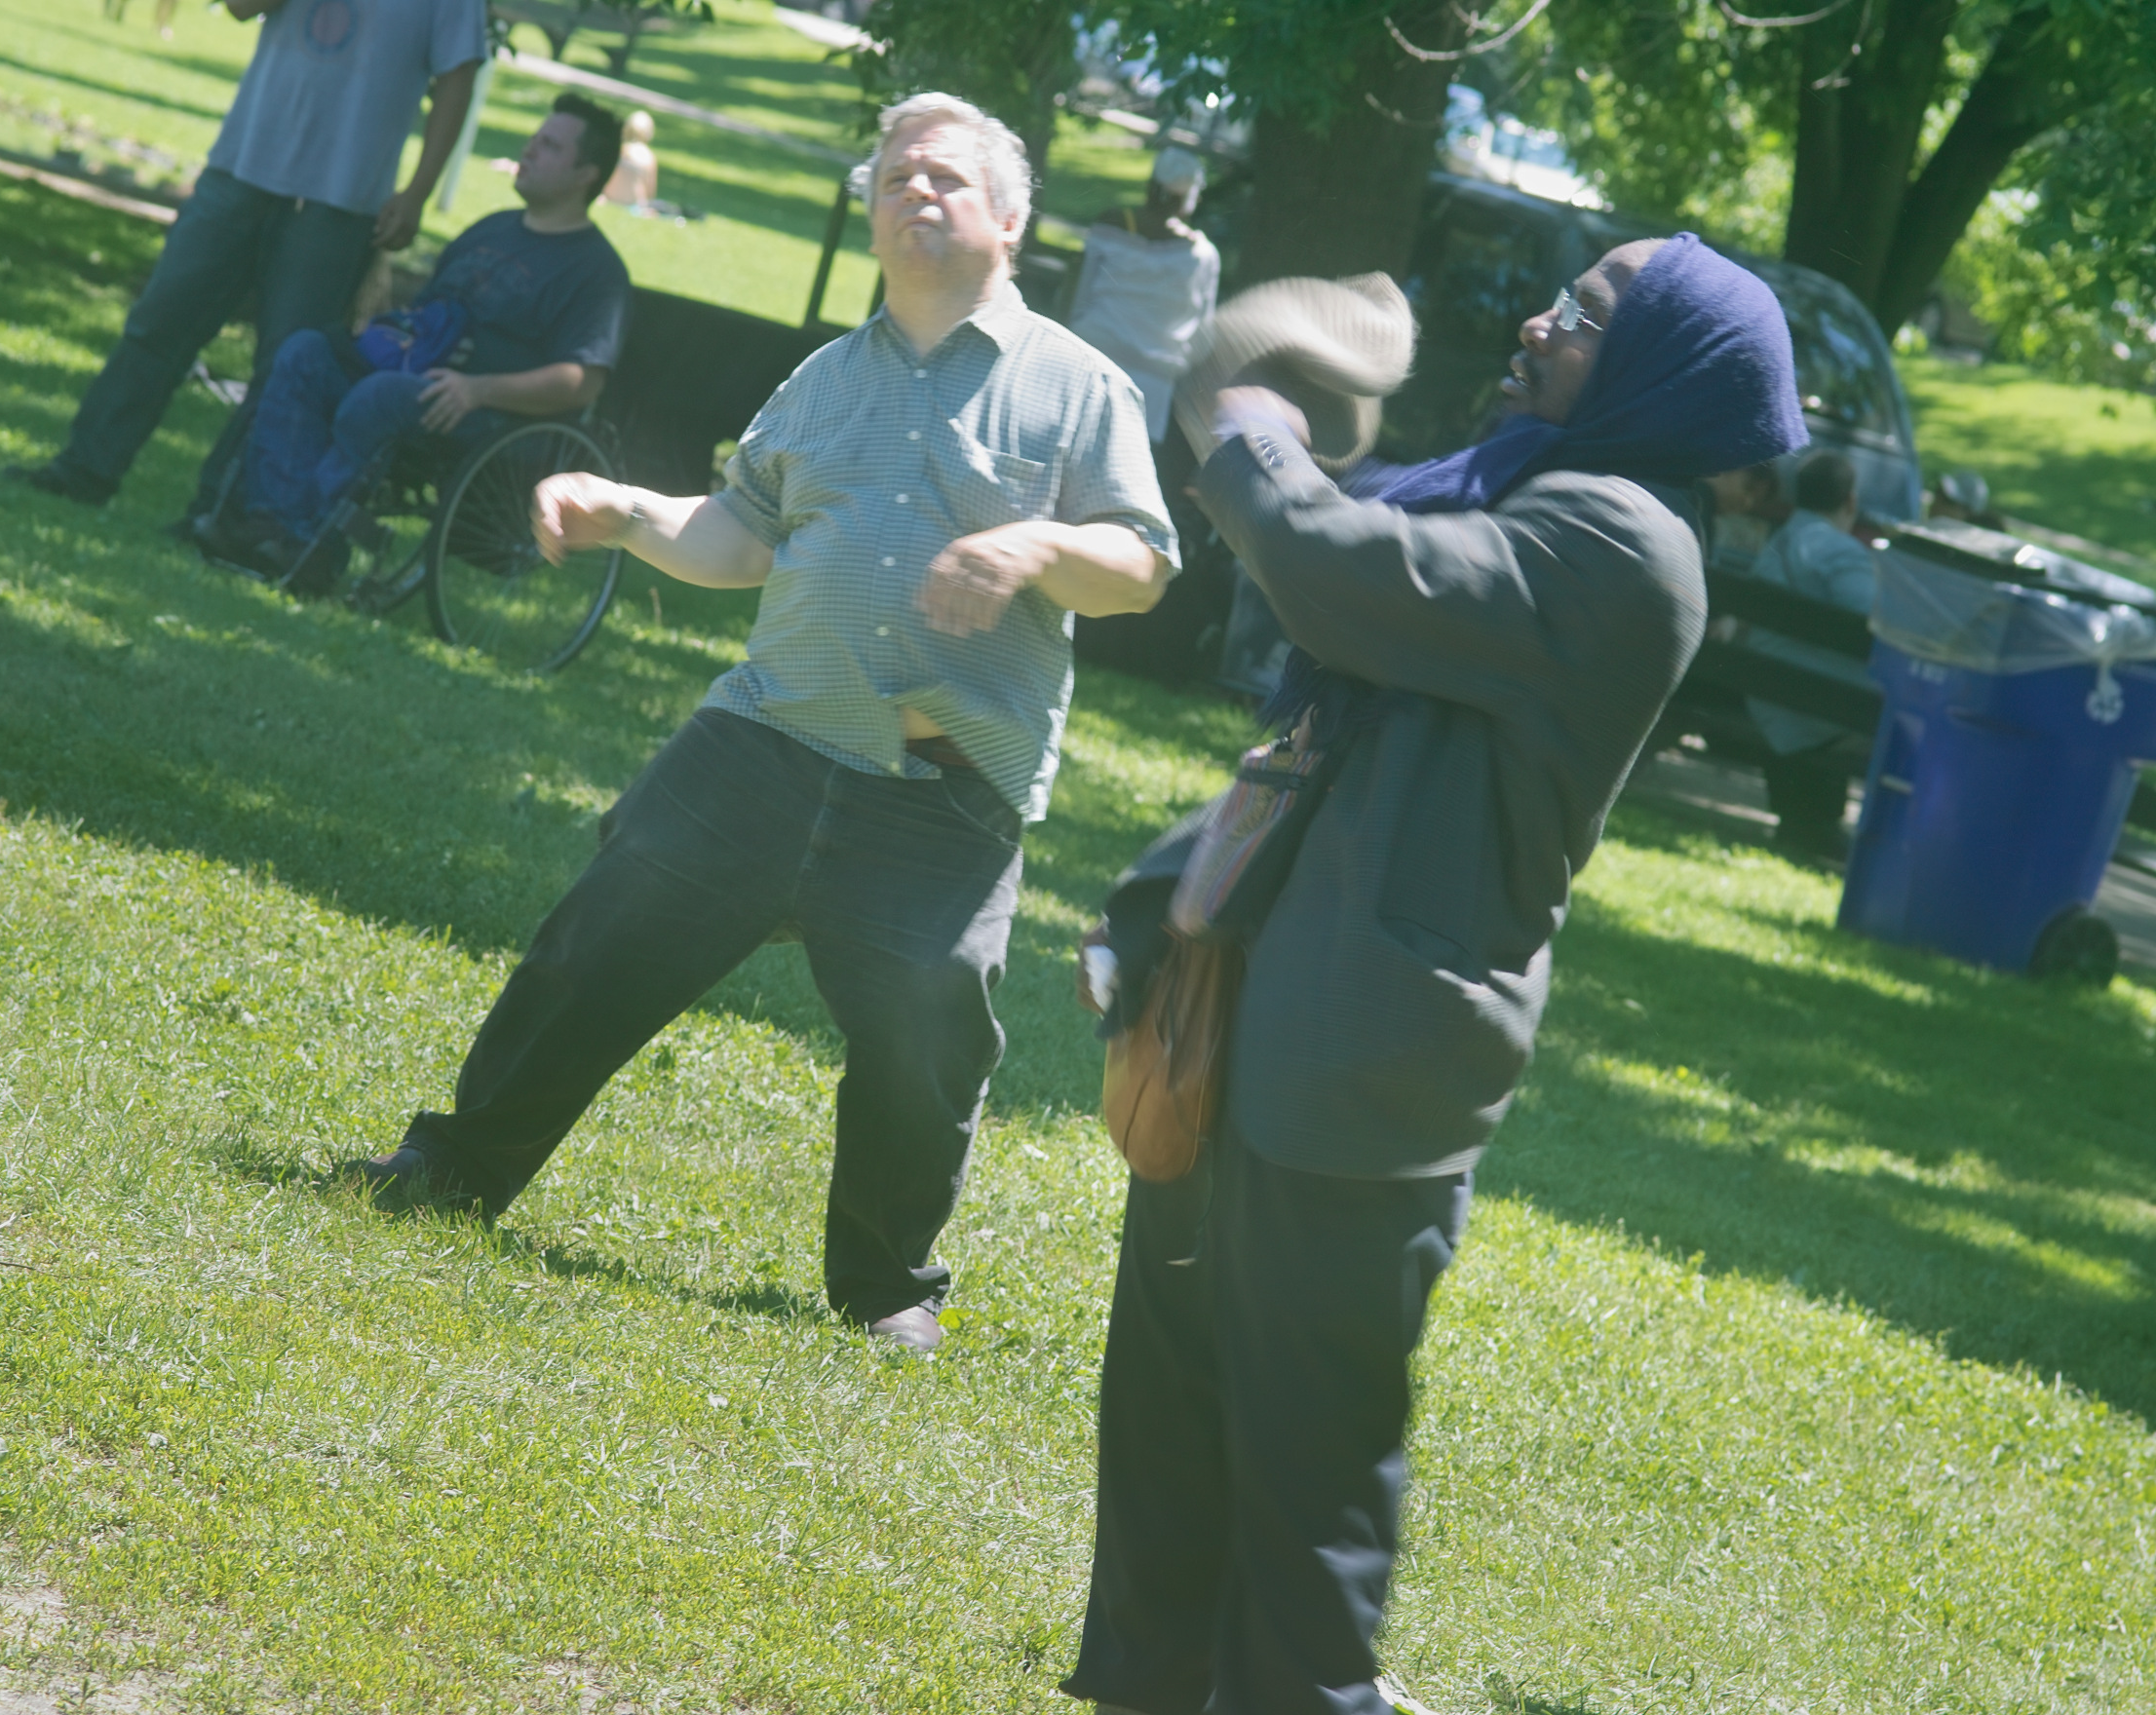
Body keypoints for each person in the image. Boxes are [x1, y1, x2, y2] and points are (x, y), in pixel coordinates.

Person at [1063, 233, 1803, 1715]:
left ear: (1663, 374)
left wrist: (1253, 431)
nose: (1537, 322)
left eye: (1583, 316)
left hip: (1362, 1056)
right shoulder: (1524, 489)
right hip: (1249, 1013)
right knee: (1167, 1425)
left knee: (1305, 1489)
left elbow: (1338, 575)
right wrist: (1165, 900)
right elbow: (1331, 742)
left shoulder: (1618, 543)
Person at [333, 91, 1176, 1353]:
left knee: (930, 1028)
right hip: (764, 744)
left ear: (1009, 219)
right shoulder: (826, 377)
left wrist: (1037, 546)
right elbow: (741, 536)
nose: (914, 190)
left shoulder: (1076, 386)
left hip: (940, 789)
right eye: (894, 176)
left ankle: (885, 1285)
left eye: (945, 177)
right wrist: (626, 512)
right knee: (592, 947)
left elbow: (1142, 566)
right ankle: (456, 1167)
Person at [5, 0, 485, 521]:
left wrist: (417, 193)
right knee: (160, 323)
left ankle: (218, 514)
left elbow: (457, 80)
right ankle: (84, 471)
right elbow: (239, 7)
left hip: (341, 201)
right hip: (242, 169)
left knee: (284, 369)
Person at [202, 95, 632, 587]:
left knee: (378, 396)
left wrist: (479, 390)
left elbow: (581, 382)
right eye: (534, 139)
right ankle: (266, 523)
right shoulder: (491, 230)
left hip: (489, 413)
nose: (529, 150)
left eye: (550, 146)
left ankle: (305, 542)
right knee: (306, 353)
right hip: (416, 370)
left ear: (585, 176)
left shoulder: (595, 272)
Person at [1744, 448, 1879, 858]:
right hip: (1823, 708)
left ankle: (1805, 823)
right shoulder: (1840, 552)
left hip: (1767, 693)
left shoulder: (1777, 543)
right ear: (1849, 501)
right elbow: (1873, 623)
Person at [1065, 146, 1219, 438]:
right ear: (1190, 197)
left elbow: (1077, 293)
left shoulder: (1110, 226)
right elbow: (1203, 336)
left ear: (1151, 186)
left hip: (1088, 357)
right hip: (1153, 385)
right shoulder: (1203, 256)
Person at [599, 109, 658, 210]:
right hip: (634, 205)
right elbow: (650, 193)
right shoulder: (649, 157)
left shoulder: (618, 150)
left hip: (609, 199)